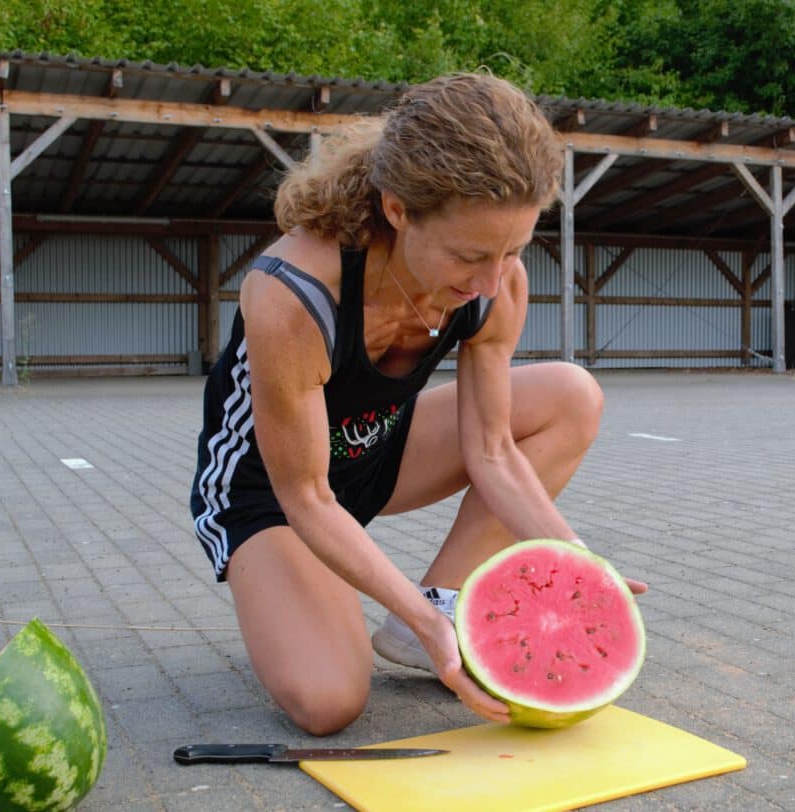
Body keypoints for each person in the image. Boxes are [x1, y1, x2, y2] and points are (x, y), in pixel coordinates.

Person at [191, 72, 647, 737]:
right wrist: (419, 615)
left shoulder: (497, 285)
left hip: (377, 451)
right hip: (272, 493)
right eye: (470, 255)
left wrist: (579, 561)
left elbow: (491, 450)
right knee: (330, 701)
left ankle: (434, 607)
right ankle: (362, 604)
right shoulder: (295, 293)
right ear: (398, 209)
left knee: (570, 397)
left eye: (513, 250)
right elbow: (308, 497)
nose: (491, 281)